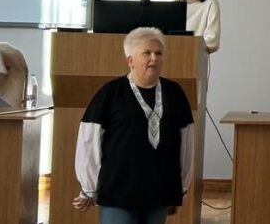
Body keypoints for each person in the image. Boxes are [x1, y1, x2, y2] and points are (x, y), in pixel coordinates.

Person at [73, 27, 194, 224]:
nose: (154, 58)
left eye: (159, 53)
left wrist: (180, 188)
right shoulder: (110, 93)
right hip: (118, 192)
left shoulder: (175, 93)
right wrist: (89, 188)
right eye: (147, 53)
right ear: (130, 61)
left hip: (160, 191)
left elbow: (186, 143)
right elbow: (89, 140)